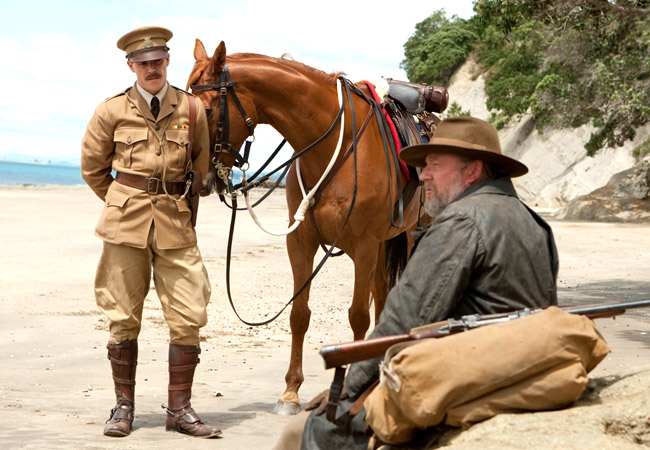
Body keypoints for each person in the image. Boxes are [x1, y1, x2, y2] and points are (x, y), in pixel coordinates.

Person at [274, 116, 559, 449]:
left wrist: (352, 388)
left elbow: (404, 317)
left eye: (435, 165)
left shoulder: (461, 221)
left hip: (472, 379)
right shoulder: (535, 224)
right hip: (522, 373)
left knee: (301, 433)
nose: (423, 175)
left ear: (473, 171)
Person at [81, 26, 221, 439]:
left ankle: (179, 409)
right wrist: (123, 201)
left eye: (157, 61)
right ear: (131, 66)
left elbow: (200, 165)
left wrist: (178, 201)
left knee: (190, 312)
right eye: (143, 63)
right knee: (122, 314)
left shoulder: (192, 110)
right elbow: (93, 169)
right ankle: (123, 407)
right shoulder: (111, 110)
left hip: (176, 225)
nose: (151, 68)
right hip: (125, 226)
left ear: (167, 61)